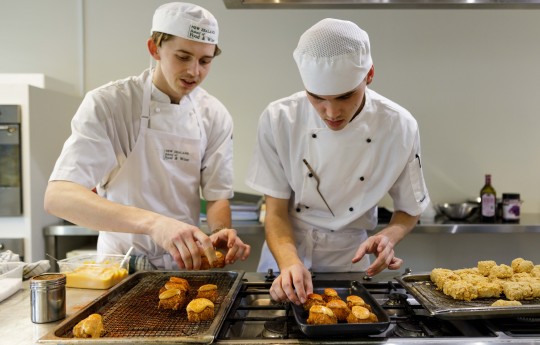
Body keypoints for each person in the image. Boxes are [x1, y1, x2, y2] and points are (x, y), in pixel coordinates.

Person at [44, 2, 250, 271]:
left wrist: (220, 230)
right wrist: (155, 224)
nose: (194, 71)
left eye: (205, 61)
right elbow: (58, 196)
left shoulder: (215, 115)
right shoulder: (110, 104)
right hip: (119, 267)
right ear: (155, 48)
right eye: (183, 57)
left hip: (183, 267)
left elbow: (216, 196)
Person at [245, 18, 430, 305]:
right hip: (284, 258)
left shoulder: (399, 126)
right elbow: (276, 211)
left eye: (344, 96)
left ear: (369, 75)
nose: (330, 112)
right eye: (317, 98)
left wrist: (389, 236)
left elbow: (409, 209)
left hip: (350, 260)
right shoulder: (279, 118)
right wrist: (290, 263)